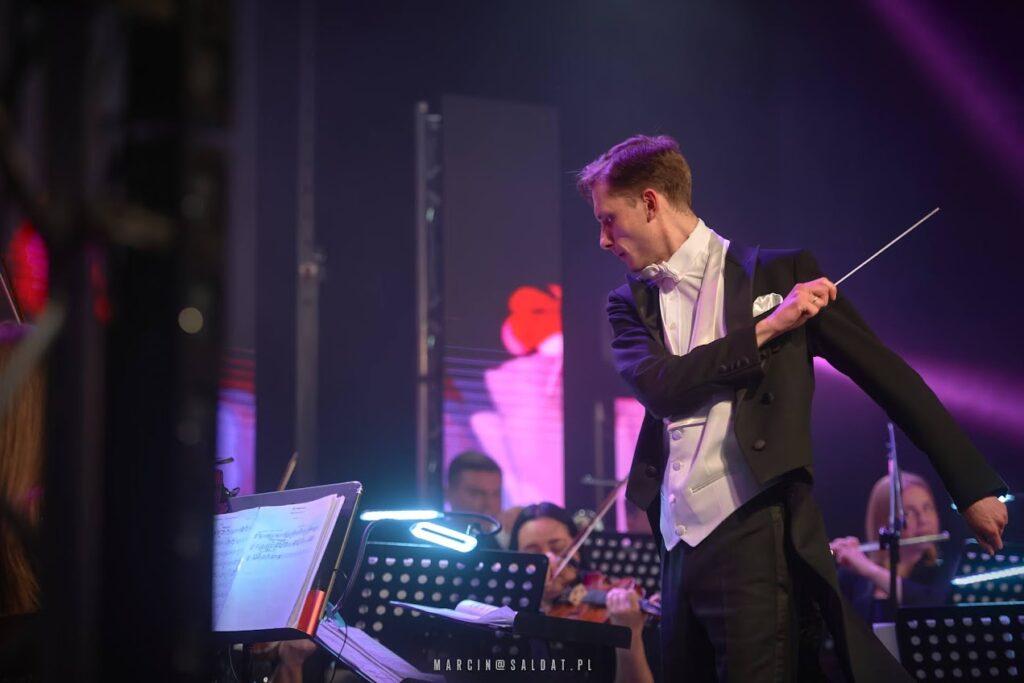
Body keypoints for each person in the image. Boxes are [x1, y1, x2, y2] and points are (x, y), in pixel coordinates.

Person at [577, 134, 1009, 681]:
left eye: (608, 220)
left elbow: (888, 376)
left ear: (649, 202)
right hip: (677, 542)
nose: (603, 239)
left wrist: (969, 485)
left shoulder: (782, 275)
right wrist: (768, 328)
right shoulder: (628, 303)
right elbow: (659, 386)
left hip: (756, 532)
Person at [510, 503, 655, 683]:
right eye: (533, 553)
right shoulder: (506, 610)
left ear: (577, 549)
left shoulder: (605, 613)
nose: (550, 561)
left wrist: (629, 633)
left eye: (558, 548)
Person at [831, 471, 952, 625]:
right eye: (908, 512)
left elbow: (931, 603)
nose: (923, 519)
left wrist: (868, 568)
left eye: (927, 508)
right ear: (883, 522)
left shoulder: (943, 570)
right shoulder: (852, 575)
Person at [445, 450, 505, 549]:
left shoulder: (504, 545)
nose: (488, 504)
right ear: (449, 494)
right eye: (476, 493)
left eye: (495, 494)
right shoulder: (429, 540)